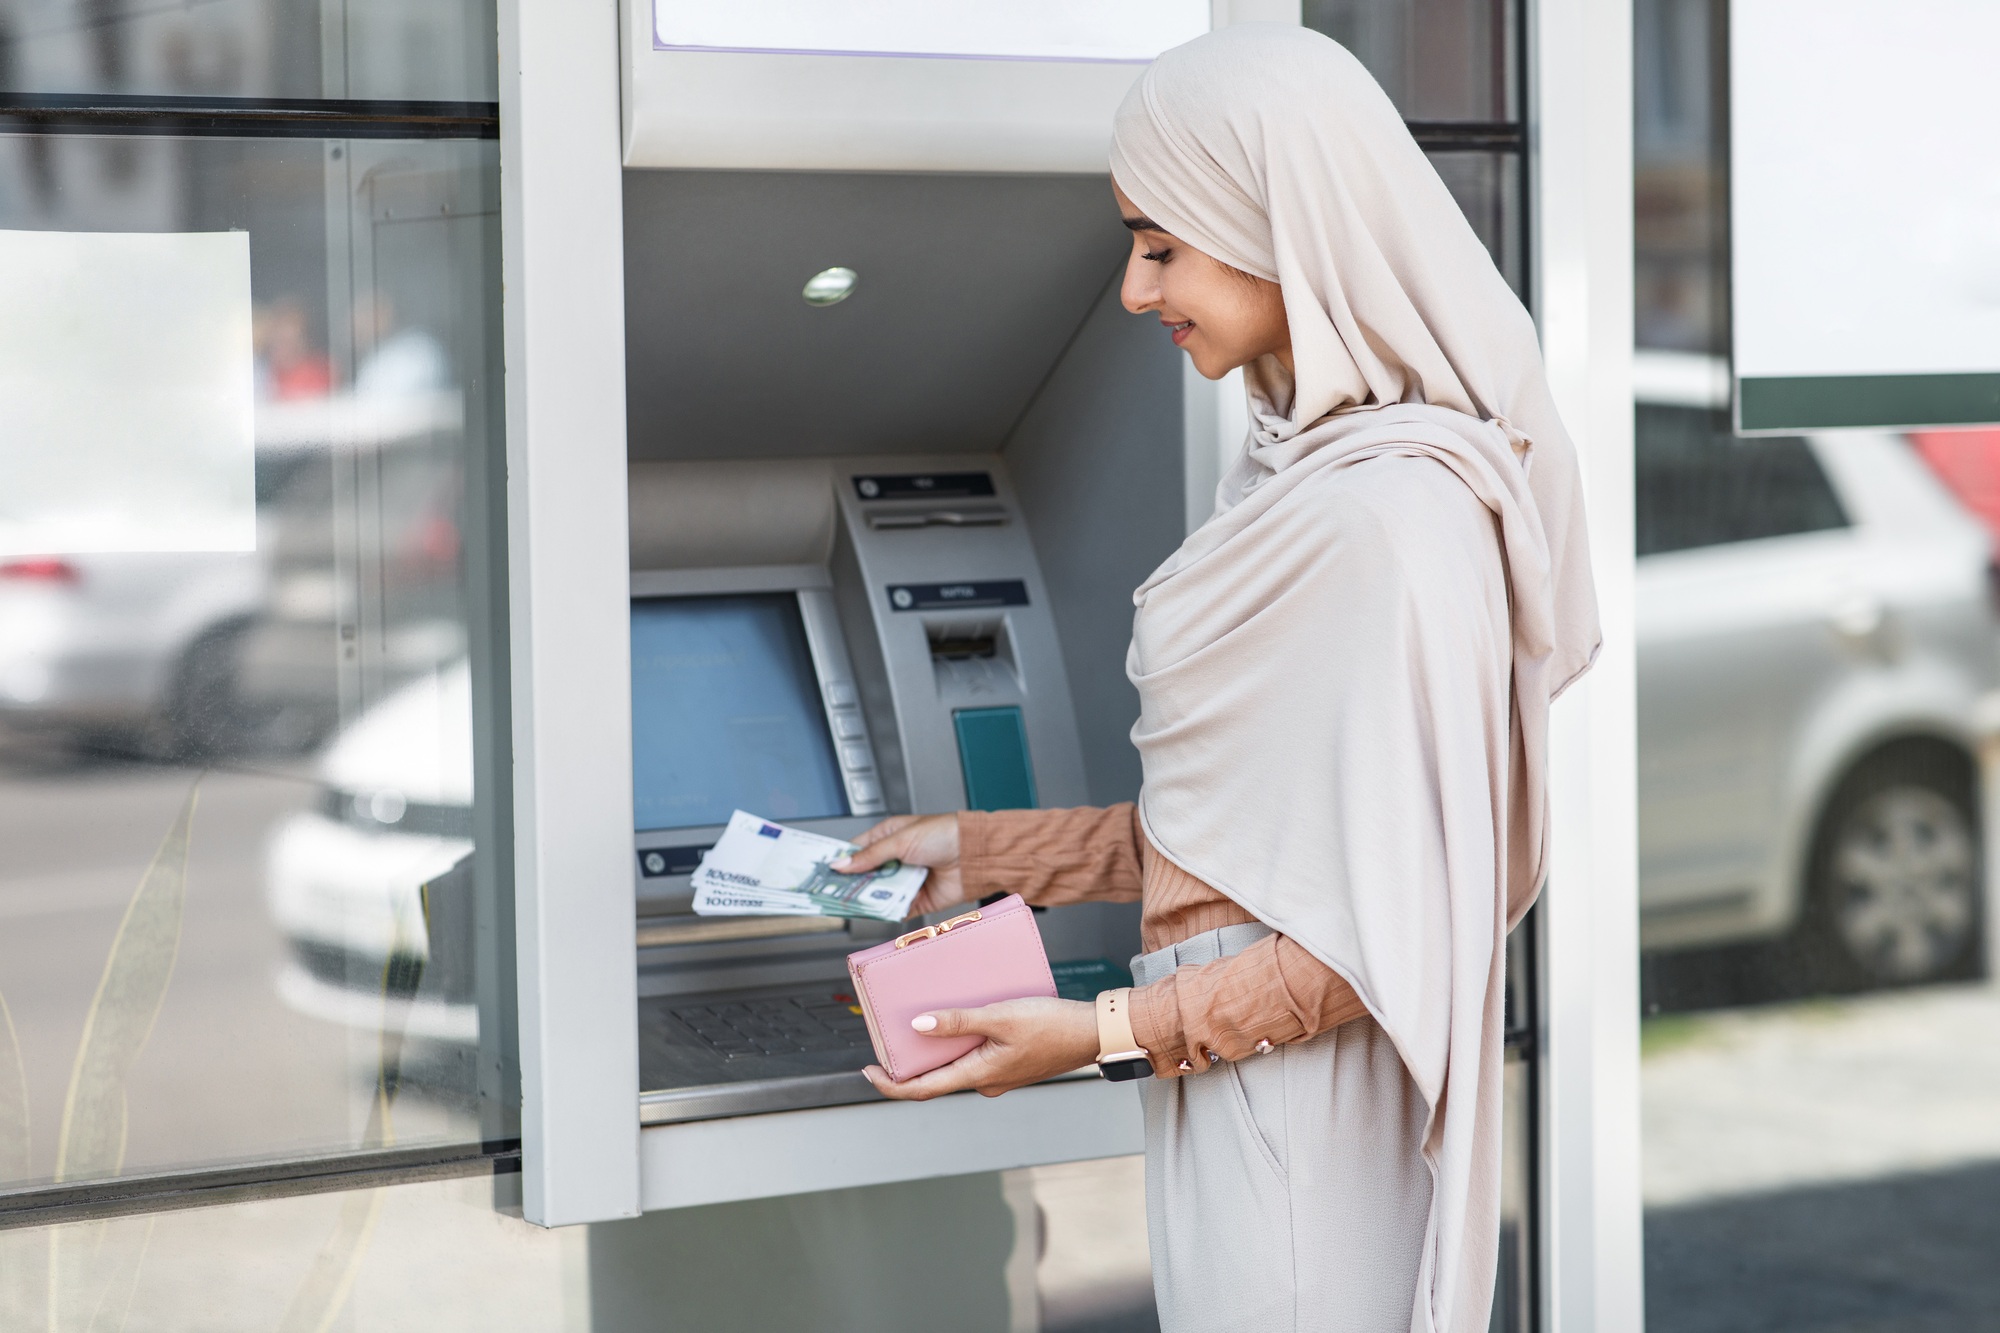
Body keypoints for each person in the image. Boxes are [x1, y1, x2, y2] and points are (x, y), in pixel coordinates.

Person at [835, 24, 1600, 1333]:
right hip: (1231, 1098)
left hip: (1304, 1133)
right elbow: (1252, 847)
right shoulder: (1306, 480)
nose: (1134, 292)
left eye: (1161, 244)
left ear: (1278, 224)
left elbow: (1387, 936)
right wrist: (985, 850)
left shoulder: (1388, 522)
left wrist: (1098, 1031)